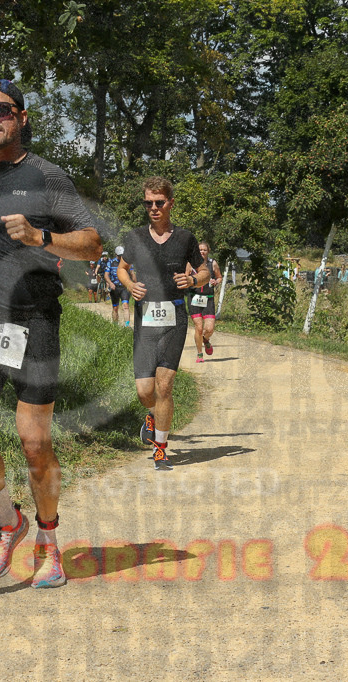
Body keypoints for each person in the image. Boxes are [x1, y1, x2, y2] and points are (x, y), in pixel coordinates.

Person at [0, 78, 102, 588]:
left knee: (34, 442)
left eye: (2, 110)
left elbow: (92, 242)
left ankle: (49, 542)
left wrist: (40, 236)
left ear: (22, 118)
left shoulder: (48, 176)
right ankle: (7, 521)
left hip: (35, 321)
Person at [117, 177, 209, 470]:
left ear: (171, 203)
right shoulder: (135, 237)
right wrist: (130, 285)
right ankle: (152, 416)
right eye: (148, 203)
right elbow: (122, 269)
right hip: (145, 319)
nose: (153, 208)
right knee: (146, 392)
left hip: (175, 317)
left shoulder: (185, 238)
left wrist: (193, 280)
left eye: (159, 202)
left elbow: (204, 271)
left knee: (165, 386)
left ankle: (160, 448)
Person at [188, 241, 219, 363]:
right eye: (200, 250)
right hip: (194, 298)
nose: (202, 252)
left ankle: (205, 339)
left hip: (208, 298)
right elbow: (185, 277)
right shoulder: (190, 264)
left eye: (204, 250)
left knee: (209, 328)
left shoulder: (213, 263)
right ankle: (199, 354)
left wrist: (216, 281)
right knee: (199, 327)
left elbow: (219, 277)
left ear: (208, 251)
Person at [105, 246, 131, 326]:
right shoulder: (111, 262)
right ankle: (115, 325)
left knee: (126, 306)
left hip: (124, 288)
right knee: (115, 308)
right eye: (119, 255)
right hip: (115, 288)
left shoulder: (127, 262)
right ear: (116, 254)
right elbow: (106, 275)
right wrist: (110, 283)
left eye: (122, 255)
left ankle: (127, 326)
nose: (121, 257)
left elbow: (132, 274)